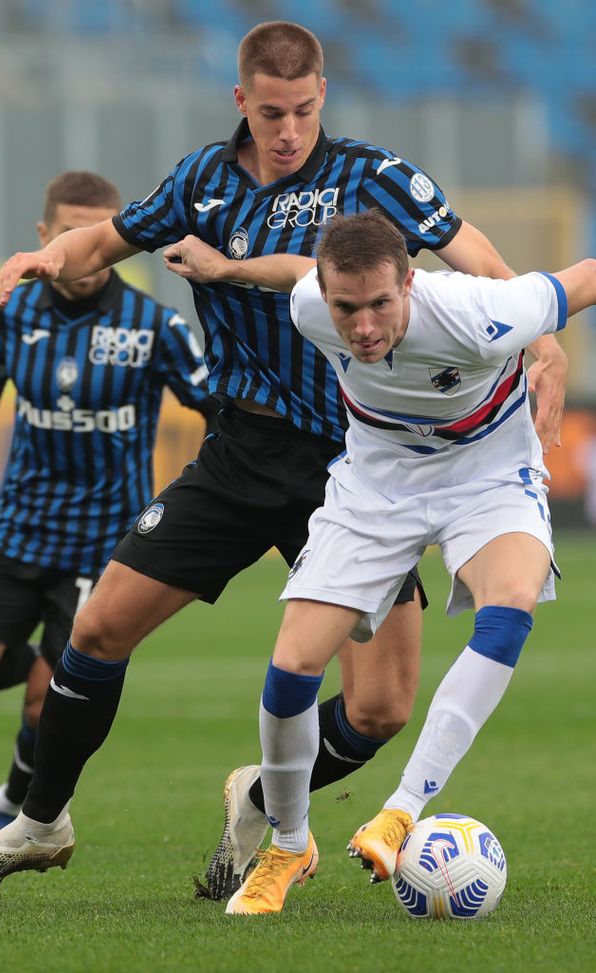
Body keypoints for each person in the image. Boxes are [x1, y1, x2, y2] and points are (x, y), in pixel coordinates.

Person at [0, 22, 566, 902]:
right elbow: (101, 243)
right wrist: (45, 255)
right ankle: (42, 818)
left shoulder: (372, 175)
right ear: (241, 102)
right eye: (271, 113)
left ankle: (262, 791)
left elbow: (472, 254)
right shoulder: (199, 181)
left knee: (379, 707)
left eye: (302, 111)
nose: (287, 131)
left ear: (321, 96)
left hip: (359, 463)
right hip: (240, 449)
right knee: (99, 628)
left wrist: (543, 335)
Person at [157, 211, 588, 915]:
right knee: (294, 663)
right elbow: (294, 272)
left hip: (487, 476)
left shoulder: (485, 311)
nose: (362, 325)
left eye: (381, 303)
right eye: (346, 306)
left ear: (411, 284)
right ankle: (289, 844)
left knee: (509, 601)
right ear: (326, 296)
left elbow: (586, 277)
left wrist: (551, 353)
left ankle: (403, 807)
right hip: (375, 488)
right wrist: (228, 268)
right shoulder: (310, 303)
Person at [0, 171, 217, 842]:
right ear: (45, 236)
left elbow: (217, 415)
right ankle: (24, 659)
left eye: (98, 236)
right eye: (70, 233)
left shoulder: (155, 326)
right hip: (14, 530)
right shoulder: (9, 310)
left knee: (45, 703)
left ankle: (9, 809)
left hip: (102, 548)